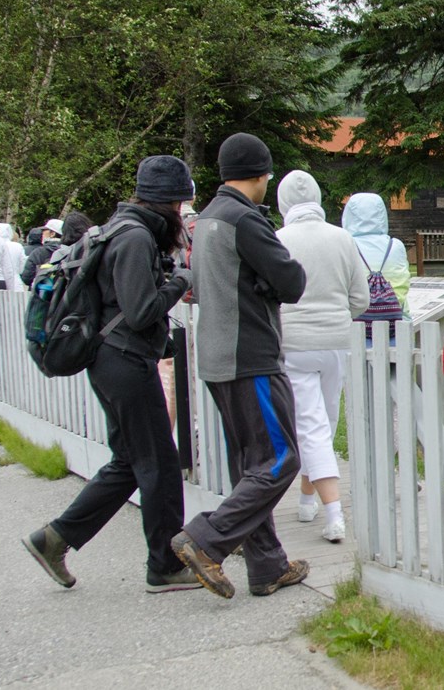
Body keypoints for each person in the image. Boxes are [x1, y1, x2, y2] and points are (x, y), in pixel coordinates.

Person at [20, 156, 201, 593]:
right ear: (171, 204)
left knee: (128, 461)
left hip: (107, 360)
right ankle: (164, 566)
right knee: (158, 463)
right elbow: (140, 312)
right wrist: (180, 279)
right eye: (181, 204)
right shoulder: (137, 237)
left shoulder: (119, 228)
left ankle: (55, 539)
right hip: (126, 360)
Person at [171, 133, 310, 599]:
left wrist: (258, 285)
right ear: (262, 174)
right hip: (249, 357)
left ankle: (267, 566)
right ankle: (206, 538)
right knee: (280, 460)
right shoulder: (245, 220)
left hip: (214, 357)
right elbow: (291, 281)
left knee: (252, 464)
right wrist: (267, 287)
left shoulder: (208, 217)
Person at [275, 170, 369, 544]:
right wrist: (338, 315)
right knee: (323, 423)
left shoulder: (277, 240)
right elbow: (360, 297)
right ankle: (307, 500)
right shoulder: (342, 238)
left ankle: (331, 513)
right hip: (335, 342)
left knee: (312, 426)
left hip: (294, 343)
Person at [341, 192, 410, 342]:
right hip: (395, 326)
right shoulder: (395, 246)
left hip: (356, 327)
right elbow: (403, 284)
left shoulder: (344, 245)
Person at [22, 214, 92, 288]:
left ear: (52, 233)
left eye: (44, 231)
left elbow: (27, 278)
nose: (42, 233)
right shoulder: (88, 251)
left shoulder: (40, 253)